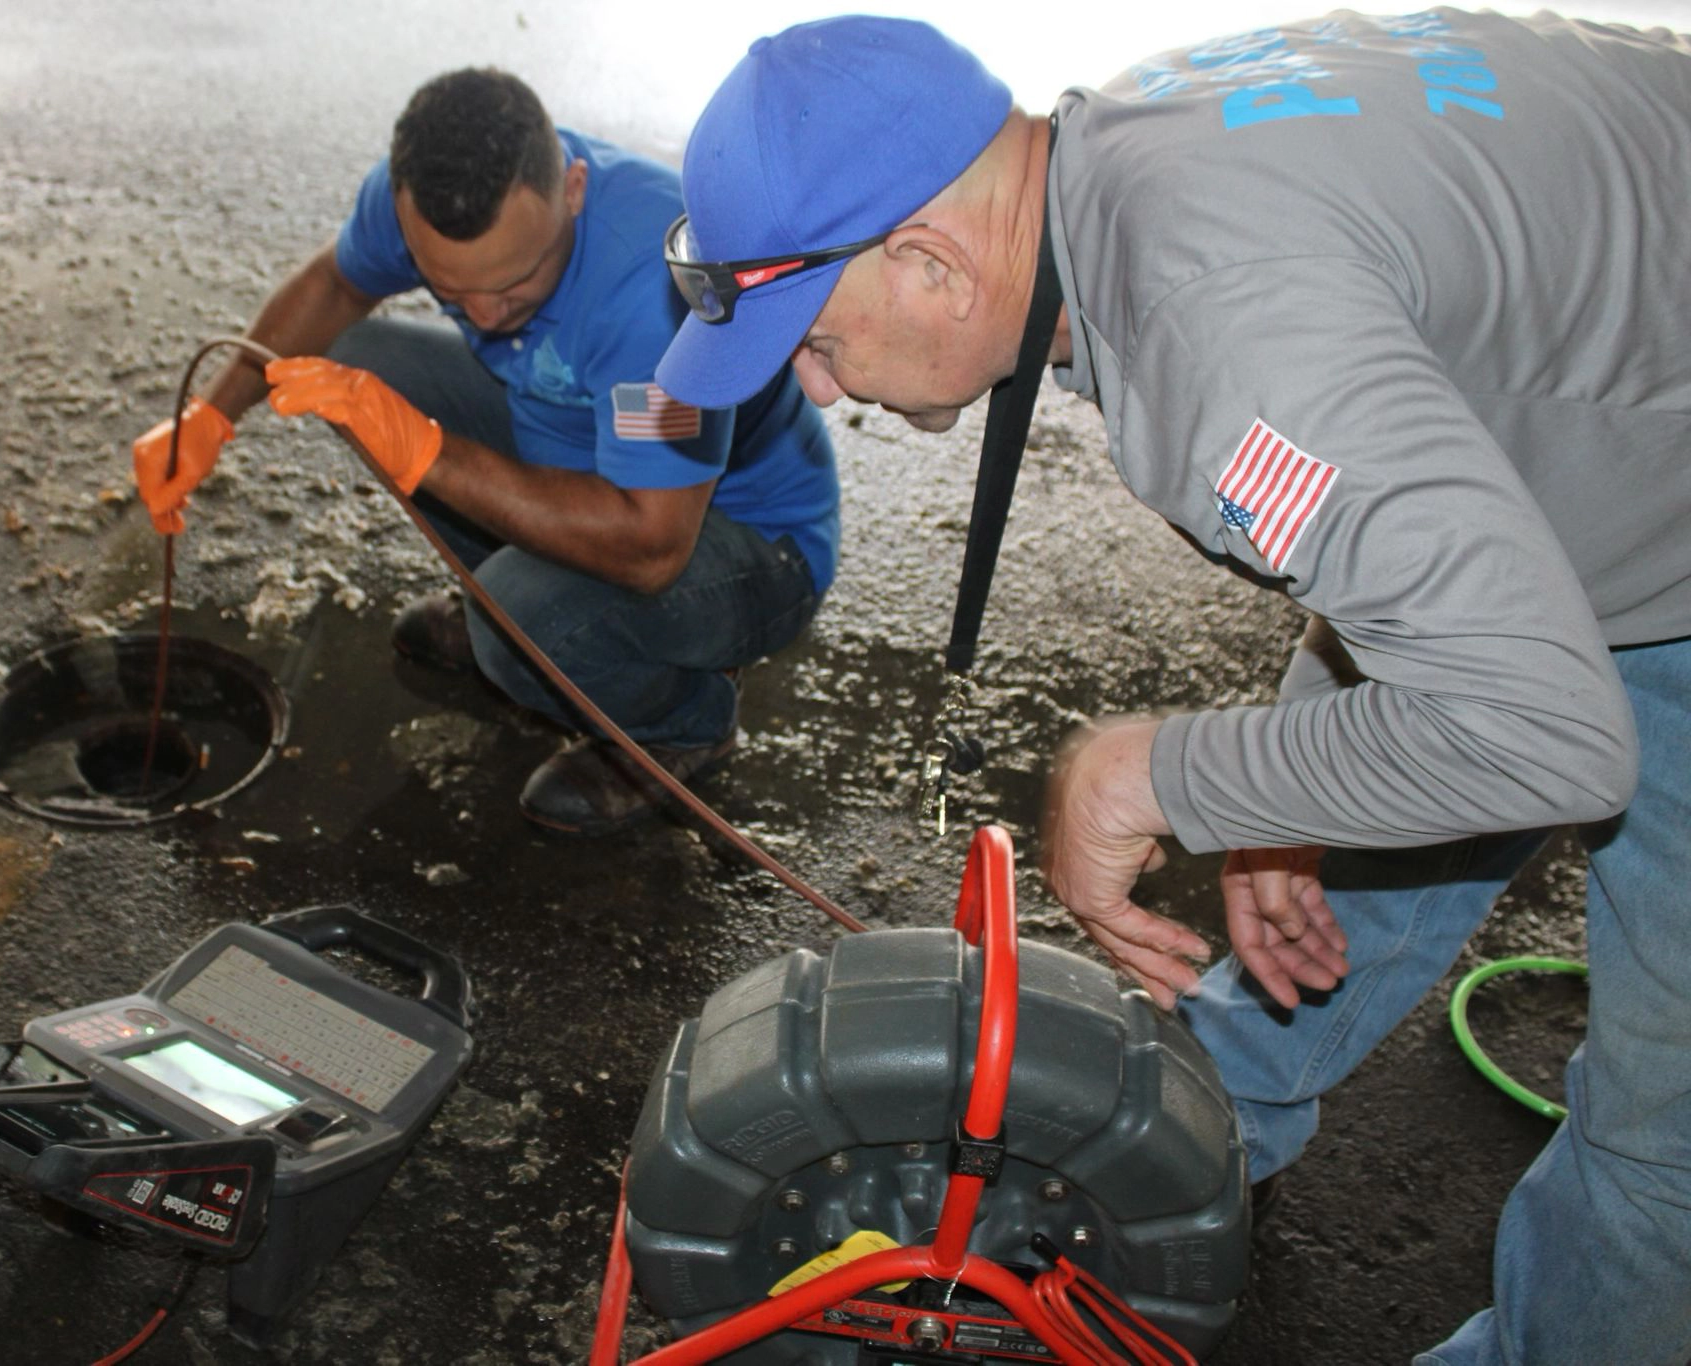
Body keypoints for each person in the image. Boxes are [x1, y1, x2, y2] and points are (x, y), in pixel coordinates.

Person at [659, 12, 1691, 1365]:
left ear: (928, 260)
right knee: (1351, 756)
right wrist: (1285, 760)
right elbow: (1405, 437)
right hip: (1624, 428)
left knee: (1661, 1125)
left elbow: (1544, 734)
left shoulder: (1215, 326)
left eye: (814, 340)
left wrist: (1158, 768)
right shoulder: (1125, 149)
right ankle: (1201, 1131)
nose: (816, 385)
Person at [131, 68, 839, 836]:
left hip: (741, 540)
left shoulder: (657, 291)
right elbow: (337, 287)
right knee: (350, 355)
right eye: (451, 293)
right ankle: (519, 614)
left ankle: (682, 723)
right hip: (582, 445)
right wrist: (212, 418)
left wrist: (429, 455)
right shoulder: (418, 203)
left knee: (524, 619)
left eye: (514, 284)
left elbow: (651, 547)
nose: (485, 316)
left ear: (573, 188)